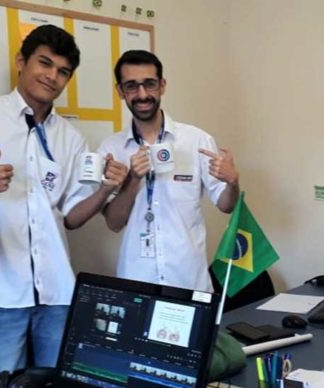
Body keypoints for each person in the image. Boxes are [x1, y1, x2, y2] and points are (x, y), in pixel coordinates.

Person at [0, 24, 128, 388]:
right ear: (21, 62)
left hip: (57, 292)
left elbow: (73, 217)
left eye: (63, 71)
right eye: (44, 63)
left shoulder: (70, 138)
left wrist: (107, 190)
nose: (52, 76)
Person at [101, 50, 239, 291]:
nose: (142, 94)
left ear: (162, 86)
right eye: (131, 86)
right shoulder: (111, 148)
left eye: (149, 84)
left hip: (188, 281)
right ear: (120, 91)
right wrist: (133, 180)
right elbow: (114, 222)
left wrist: (233, 182)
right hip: (137, 282)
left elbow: (226, 205)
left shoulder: (197, 141)